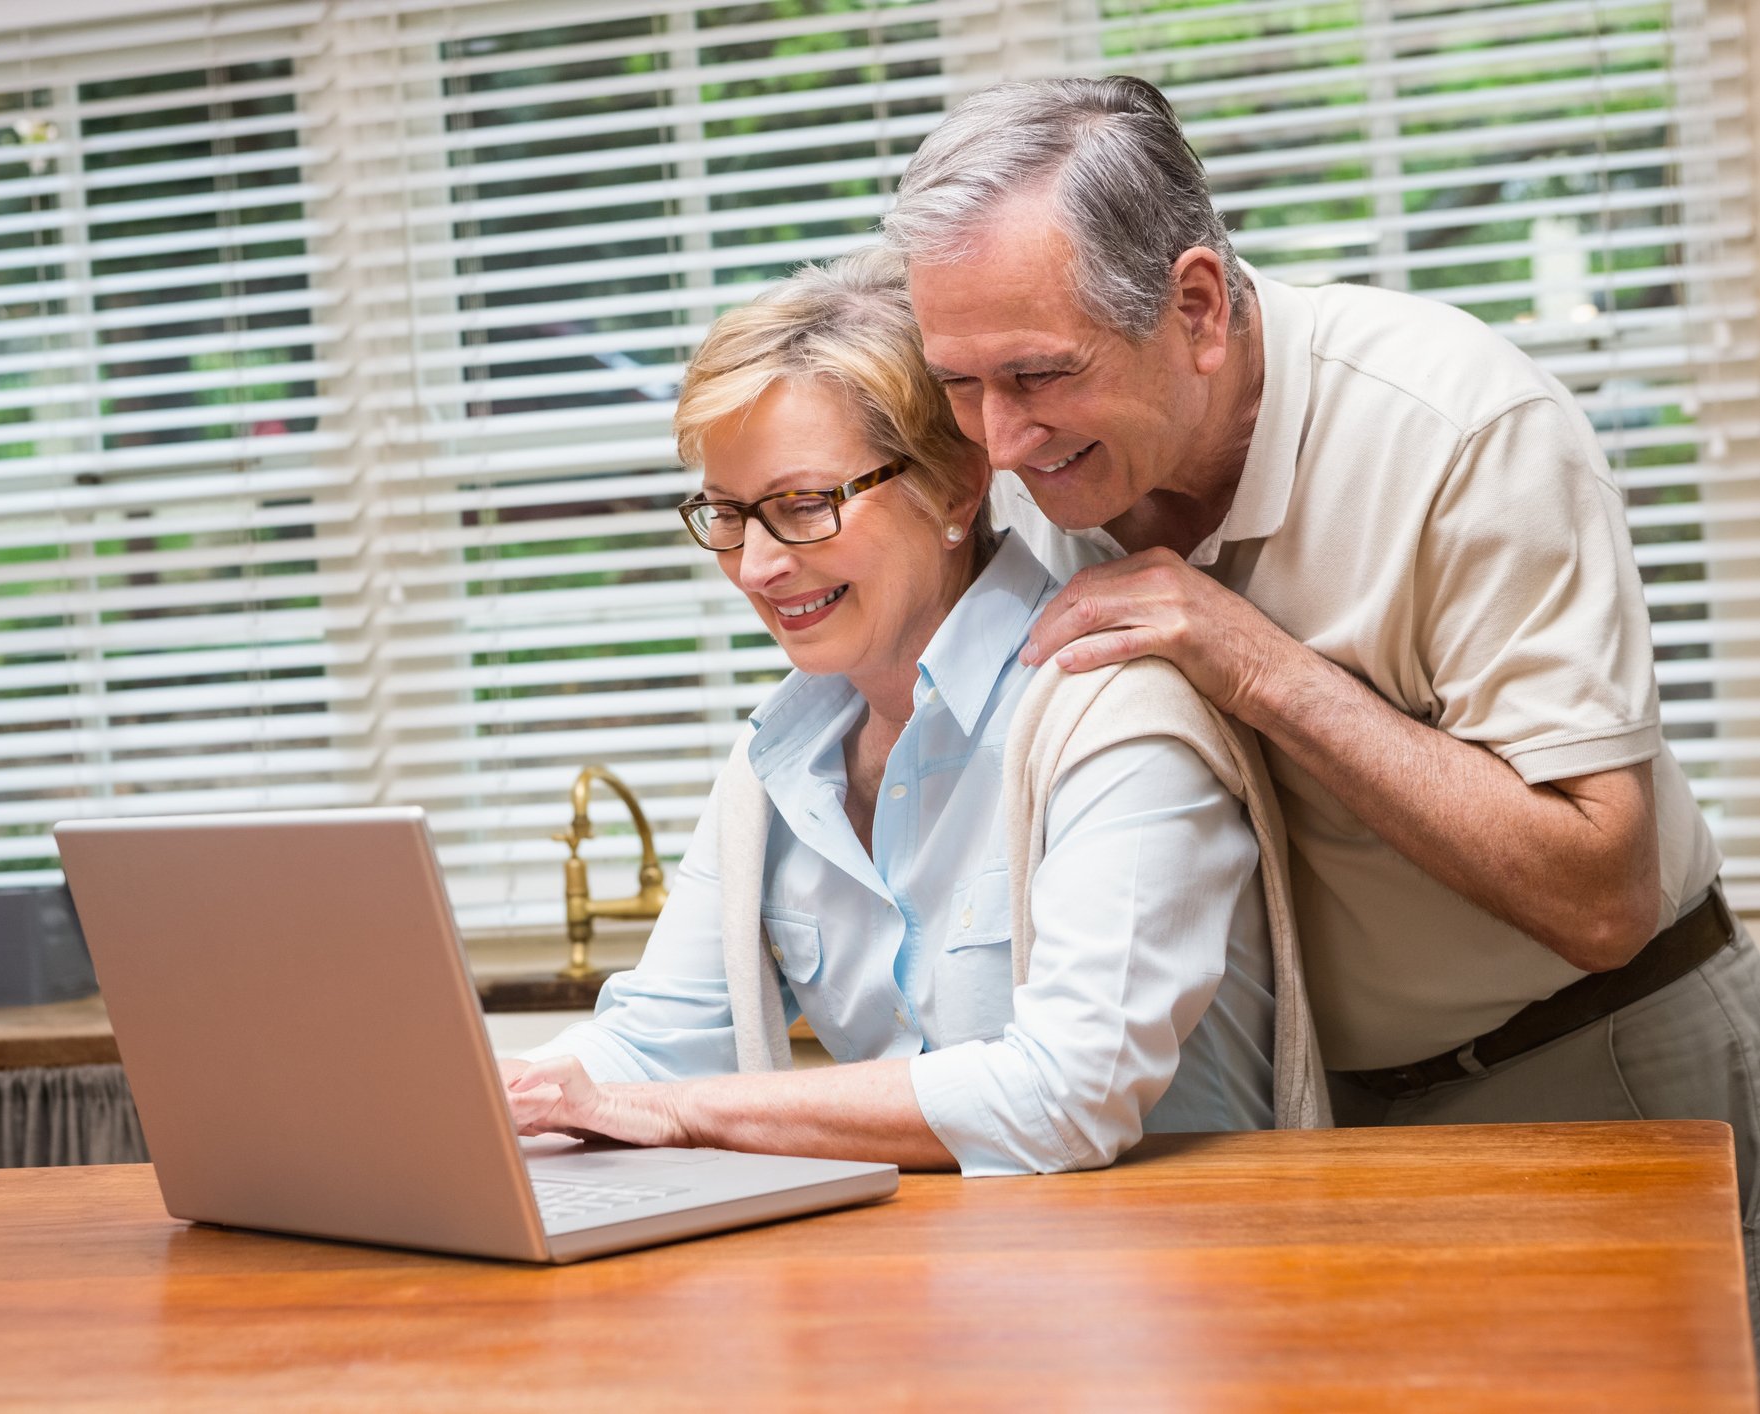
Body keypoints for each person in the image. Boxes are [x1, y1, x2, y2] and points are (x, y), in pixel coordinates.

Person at [887, 71, 1760, 1312]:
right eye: (959, 386)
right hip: (1333, 1115)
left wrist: (1251, 657)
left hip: (1602, 1056)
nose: (999, 442)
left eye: (1037, 376)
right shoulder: (1052, 471)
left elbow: (1602, 890)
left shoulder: (1460, 430)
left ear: (1194, 306)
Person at [503, 250, 1327, 1176]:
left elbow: (1065, 1099)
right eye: (727, 514)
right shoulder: (779, 764)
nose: (757, 566)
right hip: (940, 1277)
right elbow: (653, 1043)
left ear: (952, 486)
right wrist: (495, 1095)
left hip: (1188, 1274)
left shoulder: (1112, 716)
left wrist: (677, 1112)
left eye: (804, 505)